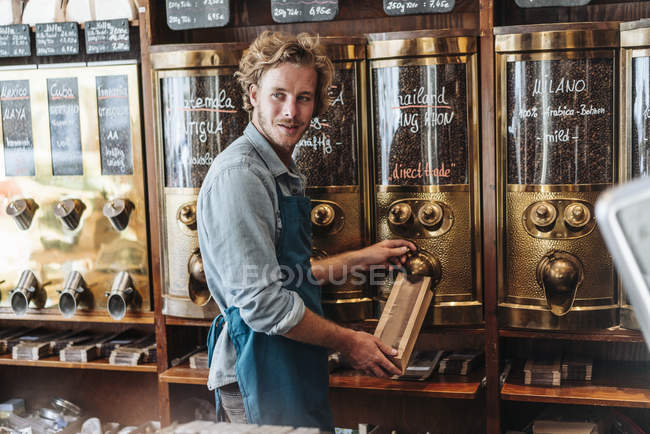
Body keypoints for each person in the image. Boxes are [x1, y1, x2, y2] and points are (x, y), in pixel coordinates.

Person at [197, 31, 416, 431]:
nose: (290, 112)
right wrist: (350, 342)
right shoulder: (242, 176)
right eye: (278, 95)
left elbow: (282, 276)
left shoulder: (279, 169)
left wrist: (361, 259)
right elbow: (263, 303)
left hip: (286, 359)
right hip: (257, 366)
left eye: (303, 98)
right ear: (252, 95)